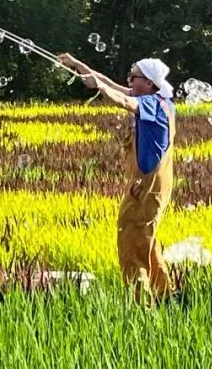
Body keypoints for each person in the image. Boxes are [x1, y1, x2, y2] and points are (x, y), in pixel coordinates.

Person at [59, 53, 176, 300]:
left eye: (134, 76)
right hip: (150, 185)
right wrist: (79, 65)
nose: (129, 80)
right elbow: (115, 87)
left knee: (131, 240)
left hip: (147, 187)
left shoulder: (152, 104)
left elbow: (123, 99)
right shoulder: (158, 99)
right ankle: (165, 293)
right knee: (146, 239)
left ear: (150, 83)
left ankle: (139, 301)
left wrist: (99, 87)